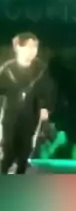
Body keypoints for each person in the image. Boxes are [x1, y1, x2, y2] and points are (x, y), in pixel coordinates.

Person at [0, 32, 55, 174]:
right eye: (28, 46)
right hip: (10, 117)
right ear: (18, 47)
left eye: (35, 47)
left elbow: (48, 90)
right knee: (7, 153)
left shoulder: (40, 69)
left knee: (24, 153)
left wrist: (46, 107)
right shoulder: (7, 70)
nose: (32, 51)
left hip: (30, 115)